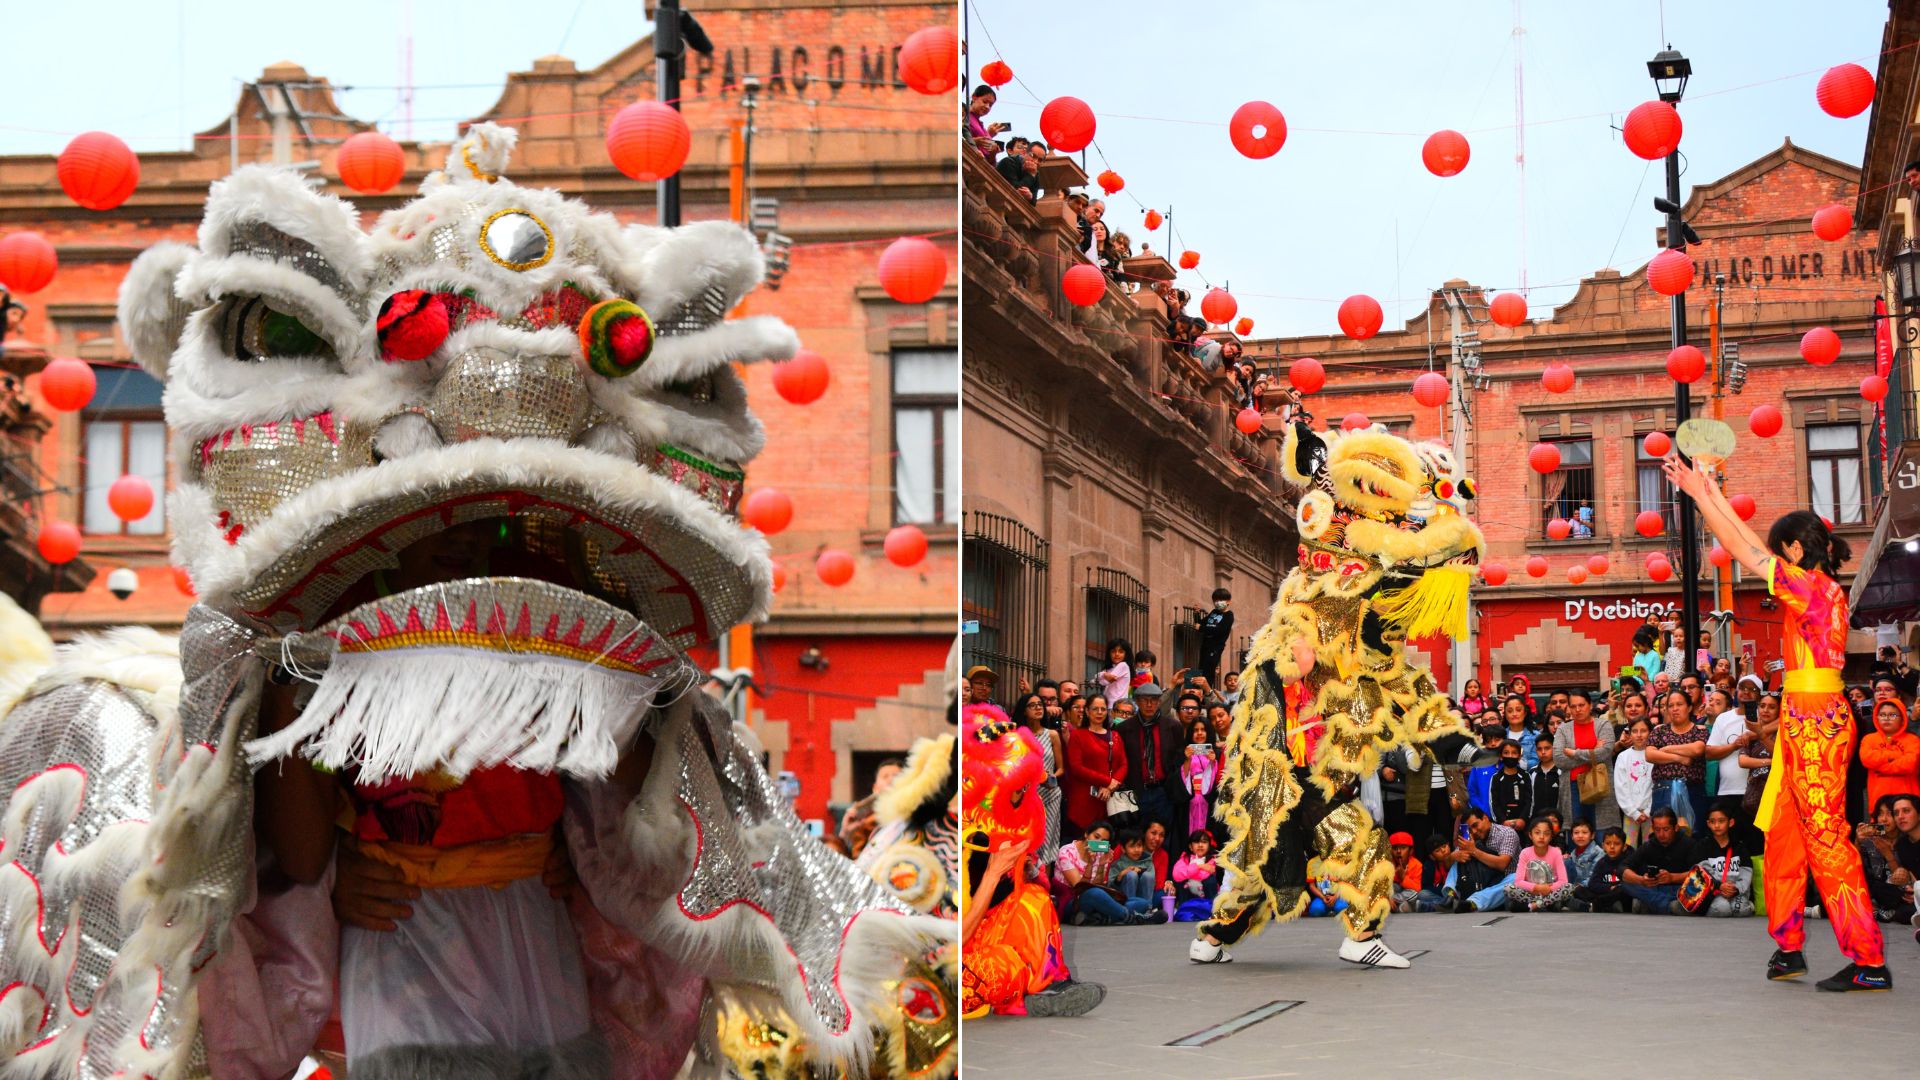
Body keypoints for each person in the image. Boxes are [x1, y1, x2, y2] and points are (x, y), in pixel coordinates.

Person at [1665, 456, 1891, 990]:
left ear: (1794, 548)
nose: (1774, 556)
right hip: (1803, 717)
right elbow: (1751, 546)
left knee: (1826, 837)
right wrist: (1710, 492)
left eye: (1779, 547)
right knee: (1787, 832)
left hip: (1815, 721)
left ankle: (1869, 960)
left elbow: (1745, 551)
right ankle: (1789, 946)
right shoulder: (1812, 588)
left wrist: (1702, 497)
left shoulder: (1812, 590)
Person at [1056, 822, 1167, 926]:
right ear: (1086, 834)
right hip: (1072, 902)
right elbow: (1080, 888)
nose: (1098, 842)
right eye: (1096, 836)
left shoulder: (1100, 855)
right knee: (1094, 893)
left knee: (1142, 903)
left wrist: (1101, 864)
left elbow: (1099, 885)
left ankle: (1099, 918)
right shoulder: (1066, 852)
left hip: (1097, 900)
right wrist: (1090, 864)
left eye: (1103, 840)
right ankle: (1132, 918)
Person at [1120, 684, 1182, 840]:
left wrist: (1171, 785)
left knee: (1163, 836)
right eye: (1144, 700)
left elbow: (1178, 759)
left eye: (1153, 700)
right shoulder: (1124, 728)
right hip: (1137, 791)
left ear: (1159, 702)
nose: (1149, 704)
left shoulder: (1172, 726)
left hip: (1163, 790)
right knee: (1137, 835)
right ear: (1137, 702)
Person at [1063, 690, 1127, 839]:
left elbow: (1123, 764)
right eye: (1095, 709)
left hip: (1108, 800)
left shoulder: (1115, 736)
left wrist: (1112, 785)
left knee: (1102, 846)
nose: (1099, 712)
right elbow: (1077, 768)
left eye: (1103, 709)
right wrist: (1107, 781)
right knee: (1084, 846)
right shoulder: (1078, 735)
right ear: (1087, 711)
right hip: (1084, 800)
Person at [1556, 689, 1621, 831]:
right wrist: (1593, 753)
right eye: (1573, 706)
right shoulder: (1563, 729)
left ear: (1590, 705)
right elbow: (1559, 759)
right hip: (1573, 786)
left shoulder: (1603, 725)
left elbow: (1605, 752)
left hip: (1600, 784)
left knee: (1602, 834)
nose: (1577, 710)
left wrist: (1574, 753)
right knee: (1577, 835)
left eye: (1581, 705)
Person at [1012, 693, 1067, 863]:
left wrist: (1050, 777)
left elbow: (1061, 769)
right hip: (1026, 795)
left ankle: (1044, 884)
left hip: (1050, 793)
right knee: (1027, 841)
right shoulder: (1017, 736)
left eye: (1040, 705)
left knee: (1047, 839)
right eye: (1032, 705)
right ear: (1024, 711)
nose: (1038, 708)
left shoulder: (1052, 735)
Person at [1645, 689, 1706, 831]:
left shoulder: (1699, 730)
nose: (1675, 709)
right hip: (1663, 791)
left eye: (1679, 704)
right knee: (1663, 836)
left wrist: (1666, 749)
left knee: (1692, 835)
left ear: (1689, 707)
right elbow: (1650, 755)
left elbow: (1697, 749)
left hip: (1692, 791)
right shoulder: (1660, 730)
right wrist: (1679, 757)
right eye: (1670, 705)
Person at [1620, 808, 1696, 913]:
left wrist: (1673, 877)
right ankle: (1669, 906)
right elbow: (1622, 868)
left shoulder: (1689, 844)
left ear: (1676, 827)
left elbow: (1699, 873)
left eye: (1666, 829)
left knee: (1695, 887)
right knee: (1625, 884)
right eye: (1657, 830)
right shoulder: (1649, 845)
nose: (1661, 834)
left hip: (1679, 889)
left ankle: (1652, 904)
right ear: (1652, 828)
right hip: (1655, 889)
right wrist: (1641, 880)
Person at [1857, 795, 1915, 924]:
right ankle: (1876, 910)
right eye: (1880, 814)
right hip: (1875, 891)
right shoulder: (1870, 839)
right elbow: (1854, 869)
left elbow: (1904, 880)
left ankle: (1876, 912)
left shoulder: (1906, 840)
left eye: (1889, 814)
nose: (1884, 819)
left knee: (1906, 911)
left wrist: (1888, 854)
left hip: (1900, 892)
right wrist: (1857, 842)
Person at [1452, 807, 1521, 913]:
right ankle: (1451, 895)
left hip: (1502, 883)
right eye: (1470, 829)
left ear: (1485, 818)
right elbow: (1450, 863)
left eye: (1475, 825)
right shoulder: (1471, 838)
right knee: (1459, 857)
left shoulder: (1507, 833)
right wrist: (1452, 857)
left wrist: (1474, 850)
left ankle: (1473, 902)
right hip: (1479, 882)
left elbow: (1502, 864)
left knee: (1516, 878)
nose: (1474, 831)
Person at [1861, 697, 1920, 812]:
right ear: (1876, 718)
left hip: (1909, 801)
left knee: (1908, 829)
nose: (1886, 718)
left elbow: (1909, 764)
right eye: (1882, 715)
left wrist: (1880, 765)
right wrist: (1896, 756)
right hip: (1878, 803)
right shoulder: (1868, 739)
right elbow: (1866, 759)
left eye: (1892, 715)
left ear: (1903, 718)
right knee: (1882, 830)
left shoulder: (1913, 740)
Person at [1505, 816, 1575, 912]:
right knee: (1508, 888)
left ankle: (1533, 906)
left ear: (1551, 837)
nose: (1541, 837)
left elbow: (1563, 881)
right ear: (1530, 835)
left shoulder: (1556, 852)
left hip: (1550, 892)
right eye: (1537, 833)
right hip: (1531, 892)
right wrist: (1536, 887)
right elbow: (1518, 881)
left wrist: (1548, 888)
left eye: (1546, 834)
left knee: (1569, 887)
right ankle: (1546, 904)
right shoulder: (1525, 852)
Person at [1614, 716, 1655, 845]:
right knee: (1629, 847)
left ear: (1650, 732)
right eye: (1635, 731)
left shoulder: (1654, 754)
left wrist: (1648, 811)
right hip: (1630, 812)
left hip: (1651, 812)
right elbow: (1621, 787)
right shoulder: (1623, 757)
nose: (1639, 735)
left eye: (1643, 731)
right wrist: (1633, 812)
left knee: (1650, 846)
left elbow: (1656, 785)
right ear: (1630, 733)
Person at [1573, 827, 1634, 913]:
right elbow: (1593, 884)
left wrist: (1616, 888)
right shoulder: (1602, 862)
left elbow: (1633, 882)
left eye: (1617, 844)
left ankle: (1597, 905)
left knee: (1624, 889)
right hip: (1606, 892)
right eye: (1608, 843)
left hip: (1621, 894)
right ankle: (1606, 906)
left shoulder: (1630, 861)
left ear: (1624, 847)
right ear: (1603, 846)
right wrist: (1609, 887)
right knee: (1578, 890)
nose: (1612, 847)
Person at [1180, 717, 1219, 840]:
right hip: (1188, 802)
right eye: (1195, 730)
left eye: (1203, 730)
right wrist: (1187, 760)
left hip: (1209, 802)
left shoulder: (1217, 753)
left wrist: (1213, 762)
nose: (1199, 733)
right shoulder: (1182, 753)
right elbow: (1177, 782)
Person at [1110, 828, 1159, 915]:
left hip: (1144, 899)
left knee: (1148, 876)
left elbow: (1152, 883)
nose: (1136, 850)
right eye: (1132, 846)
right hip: (1124, 901)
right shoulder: (1118, 864)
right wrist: (1121, 875)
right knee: (1131, 875)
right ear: (1123, 848)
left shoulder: (1148, 862)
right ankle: (1130, 911)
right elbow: (1110, 888)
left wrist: (1140, 873)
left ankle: (1147, 911)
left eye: (1139, 845)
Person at [1171, 830, 1224, 906]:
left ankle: (1211, 910)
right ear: (1190, 846)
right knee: (1183, 882)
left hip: (1206, 899)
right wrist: (1200, 866)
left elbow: (1203, 876)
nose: (1200, 845)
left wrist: (1188, 871)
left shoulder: (1212, 860)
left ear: (1209, 846)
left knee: (1210, 879)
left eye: (1204, 842)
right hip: (1188, 899)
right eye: (1196, 842)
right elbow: (1176, 874)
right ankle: (1185, 909)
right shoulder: (1185, 858)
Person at [1195, 588, 1234, 687]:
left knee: (1209, 669)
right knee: (1201, 669)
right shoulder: (1214, 612)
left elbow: (1220, 630)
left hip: (1215, 647)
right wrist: (1196, 614)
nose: (1218, 603)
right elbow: (1201, 623)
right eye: (1215, 600)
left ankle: (1207, 692)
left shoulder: (1229, 615)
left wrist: (1202, 628)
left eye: (1221, 600)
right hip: (1205, 645)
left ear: (1228, 601)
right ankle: (1199, 691)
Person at [1490, 740, 1532, 830]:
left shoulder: (1526, 776)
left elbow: (1530, 800)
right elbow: (1493, 802)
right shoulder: (1496, 777)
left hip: (1523, 825)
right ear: (1501, 756)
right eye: (1506, 753)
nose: (1510, 756)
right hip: (1502, 826)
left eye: (1514, 753)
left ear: (1519, 756)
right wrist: (1502, 821)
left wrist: (1523, 819)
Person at [1386, 831, 1424, 913]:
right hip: (1392, 894)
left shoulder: (1417, 865)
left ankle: (1394, 905)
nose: (1398, 851)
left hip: (1406, 895)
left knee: (1415, 894)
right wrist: (1387, 897)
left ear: (1410, 851)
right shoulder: (1386, 864)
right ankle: (1400, 906)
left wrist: (1403, 877)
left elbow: (1417, 889)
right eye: (1395, 848)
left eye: (1403, 848)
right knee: (1394, 886)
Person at [965, 85, 1007, 160]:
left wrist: (993, 152)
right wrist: (974, 141)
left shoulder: (983, 128)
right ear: (974, 97)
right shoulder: (964, 114)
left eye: (990, 105)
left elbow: (988, 160)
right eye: (984, 102)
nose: (987, 107)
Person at [1529, 735, 1564, 824]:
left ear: (1554, 748)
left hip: (1558, 822)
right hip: (1536, 822)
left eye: (1547, 748)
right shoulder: (1532, 772)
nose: (1543, 752)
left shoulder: (1561, 771)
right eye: (1539, 749)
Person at [1563, 820, 1603, 894]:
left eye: (1584, 832)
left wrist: (1577, 887)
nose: (1580, 836)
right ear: (1572, 836)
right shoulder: (1573, 853)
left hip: (1589, 888)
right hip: (1573, 888)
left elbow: (1594, 878)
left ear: (1592, 835)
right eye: (1576, 833)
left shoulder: (1598, 852)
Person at [1095, 638, 1132, 709]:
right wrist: (1104, 675)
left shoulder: (1123, 665)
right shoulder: (1110, 668)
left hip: (1117, 707)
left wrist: (1102, 675)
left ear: (1126, 654)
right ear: (1109, 653)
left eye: (1121, 652)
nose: (1117, 654)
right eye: (1113, 651)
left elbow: (1104, 682)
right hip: (1108, 705)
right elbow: (1094, 681)